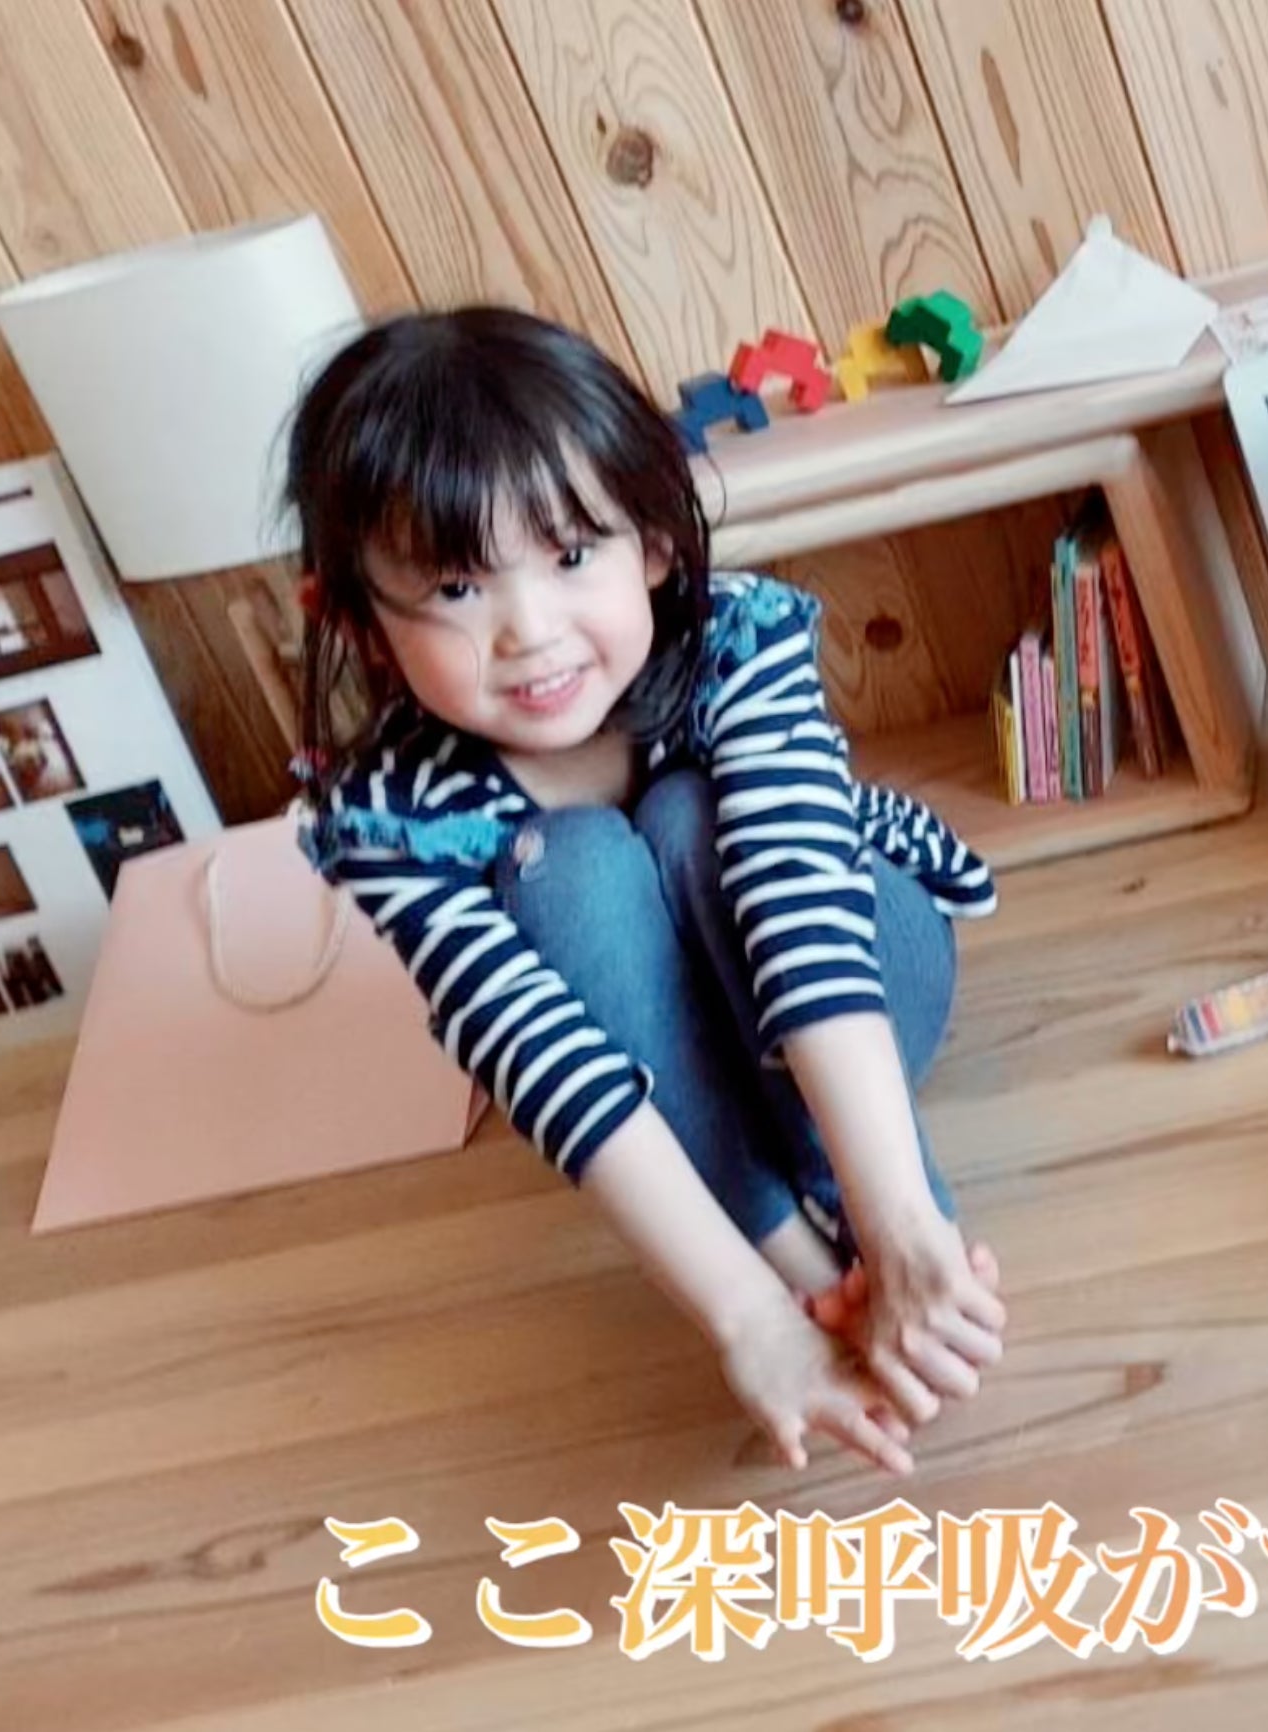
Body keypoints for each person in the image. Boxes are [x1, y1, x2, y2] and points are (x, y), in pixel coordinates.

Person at [289, 306, 1005, 1475]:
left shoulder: (731, 640)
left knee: (689, 814)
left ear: (656, 538)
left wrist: (904, 1223)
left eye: (573, 557)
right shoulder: (390, 815)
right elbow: (542, 1060)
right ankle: (806, 1250)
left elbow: (801, 895)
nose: (528, 632)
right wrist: (765, 1317)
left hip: (862, 964)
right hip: (672, 1082)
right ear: (362, 624)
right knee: (566, 864)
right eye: (458, 588)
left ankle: (854, 1202)